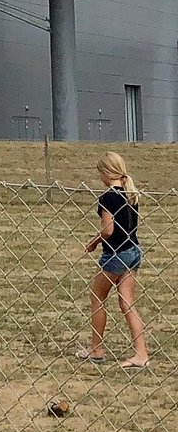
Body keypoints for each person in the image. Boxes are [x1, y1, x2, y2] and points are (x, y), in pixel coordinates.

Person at [80, 151, 149, 367]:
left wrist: (93, 241)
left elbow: (108, 230)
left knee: (97, 297)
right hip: (133, 251)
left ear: (105, 172)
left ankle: (96, 349)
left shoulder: (108, 197)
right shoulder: (131, 194)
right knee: (127, 303)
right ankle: (141, 353)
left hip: (116, 254)